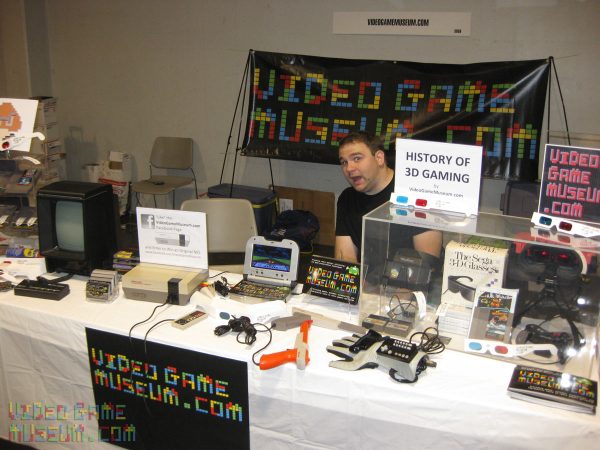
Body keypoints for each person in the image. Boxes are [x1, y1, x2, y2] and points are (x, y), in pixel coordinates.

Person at [335, 131, 442, 263]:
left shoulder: (416, 194)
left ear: (379, 158)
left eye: (357, 158)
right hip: (366, 275)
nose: (349, 168)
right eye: (344, 162)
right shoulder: (347, 199)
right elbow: (345, 261)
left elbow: (425, 265)